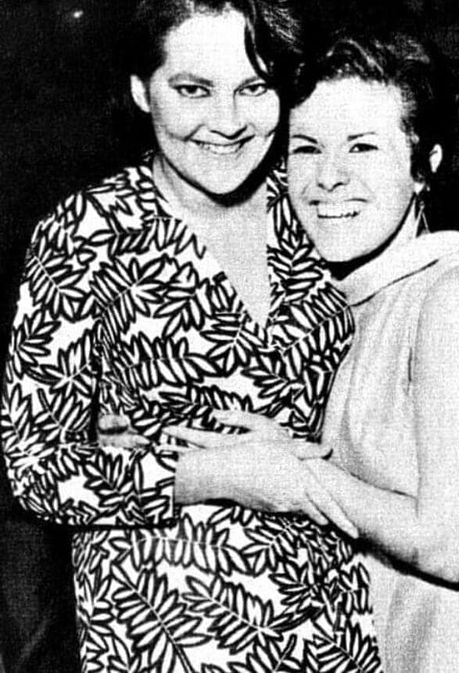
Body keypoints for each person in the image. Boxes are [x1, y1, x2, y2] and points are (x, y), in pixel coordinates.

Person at [171, 16, 459, 673]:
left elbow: (448, 546)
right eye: (306, 148)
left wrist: (295, 477)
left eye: (362, 148)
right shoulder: (350, 305)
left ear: (424, 166)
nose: (327, 177)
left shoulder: (457, 295)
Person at [0, 1, 381, 671]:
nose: (228, 122)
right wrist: (216, 475)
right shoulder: (87, 233)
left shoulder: (318, 199)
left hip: (332, 617)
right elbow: (34, 469)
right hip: (170, 623)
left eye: (254, 87)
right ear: (140, 90)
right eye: (193, 89)